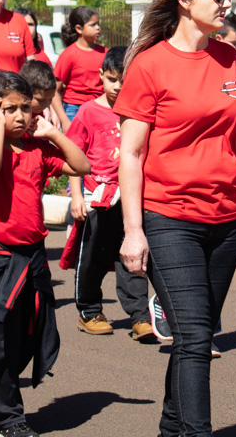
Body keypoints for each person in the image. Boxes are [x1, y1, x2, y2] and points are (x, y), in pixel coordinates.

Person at [115, 0, 236, 437]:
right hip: (169, 218)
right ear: (184, 0)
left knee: (191, 335)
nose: (227, 2)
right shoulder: (150, 65)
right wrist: (133, 232)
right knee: (196, 336)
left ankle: (171, 427)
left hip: (225, 222)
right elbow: (132, 154)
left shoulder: (232, 60)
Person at [0, 71, 90, 437]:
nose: (18, 116)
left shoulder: (37, 148)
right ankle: (9, 418)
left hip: (32, 257)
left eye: (24, 108)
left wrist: (55, 133)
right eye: (8, 108)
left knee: (30, 336)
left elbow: (82, 166)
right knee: (0, 338)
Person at [59, 46, 153, 341]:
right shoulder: (89, 111)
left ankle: (139, 316)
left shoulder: (140, 112)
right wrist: (76, 196)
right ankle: (89, 311)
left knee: (134, 256)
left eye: (125, 81)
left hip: (131, 199)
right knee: (93, 258)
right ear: (101, 76)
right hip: (97, 199)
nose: (118, 87)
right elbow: (74, 157)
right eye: (113, 80)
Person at [54, 6, 106, 124]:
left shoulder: (105, 53)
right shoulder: (69, 54)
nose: (98, 28)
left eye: (98, 24)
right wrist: (65, 120)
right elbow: (54, 90)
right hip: (74, 109)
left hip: (99, 108)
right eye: (93, 25)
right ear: (79, 29)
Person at [20, 60, 59, 127]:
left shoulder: (39, 113)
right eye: (40, 100)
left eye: (50, 99)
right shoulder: (17, 117)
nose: (47, 104)